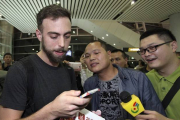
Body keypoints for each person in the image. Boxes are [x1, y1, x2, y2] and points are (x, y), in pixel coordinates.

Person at [0, 4, 90, 120]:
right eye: (54, 36)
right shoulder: (20, 71)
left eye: (67, 36)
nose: (62, 44)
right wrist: (51, 111)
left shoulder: (68, 71)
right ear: (39, 35)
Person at [83, 41, 166, 120]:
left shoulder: (137, 77)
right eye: (87, 56)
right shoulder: (89, 84)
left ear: (109, 54)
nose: (91, 58)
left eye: (96, 53)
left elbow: (155, 111)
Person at [136, 28, 179, 120]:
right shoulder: (144, 79)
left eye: (152, 48)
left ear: (173, 46)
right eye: (142, 50)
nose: (146, 54)